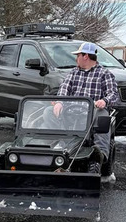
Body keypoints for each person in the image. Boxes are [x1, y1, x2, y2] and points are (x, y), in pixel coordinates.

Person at [44, 42, 119, 181]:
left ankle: (101, 155)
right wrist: (59, 102)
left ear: (85, 56)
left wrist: (105, 101)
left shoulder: (104, 74)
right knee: (48, 111)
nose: (76, 59)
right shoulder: (74, 72)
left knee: (103, 117)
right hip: (71, 111)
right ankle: (55, 146)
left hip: (92, 113)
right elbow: (64, 89)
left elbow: (113, 95)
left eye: (78, 55)